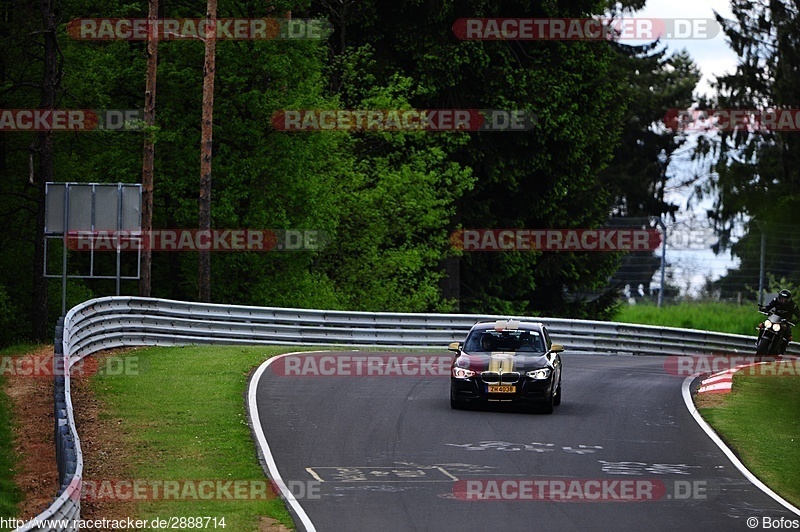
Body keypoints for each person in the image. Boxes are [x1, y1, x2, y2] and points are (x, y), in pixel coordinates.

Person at [760, 289, 800, 354]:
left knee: (788, 334)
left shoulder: (793, 305)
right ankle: (759, 340)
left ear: (789, 299)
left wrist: (795, 321)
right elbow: (769, 306)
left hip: (785, 321)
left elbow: (798, 315)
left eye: (785, 299)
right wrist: (764, 309)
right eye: (782, 299)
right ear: (779, 298)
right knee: (763, 325)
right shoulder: (775, 300)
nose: (783, 301)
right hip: (774, 319)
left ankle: (782, 349)